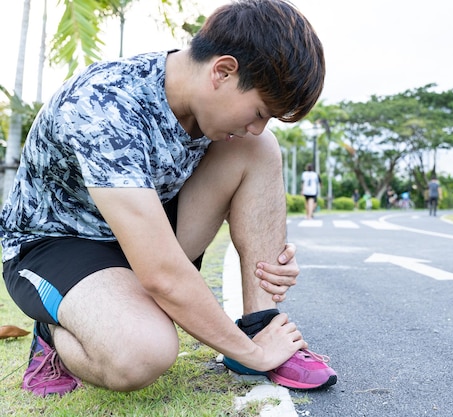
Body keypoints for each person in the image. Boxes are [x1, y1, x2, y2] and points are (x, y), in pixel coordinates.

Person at [0, 0, 336, 397]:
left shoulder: (213, 113)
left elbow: (231, 189)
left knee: (260, 148)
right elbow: (162, 273)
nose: (256, 126)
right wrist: (253, 356)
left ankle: (260, 324)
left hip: (145, 231)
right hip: (57, 245)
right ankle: (55, 332)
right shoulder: (104, 104)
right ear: (223, 71)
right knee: (141, 353)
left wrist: (268, 248)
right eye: (259, 111)